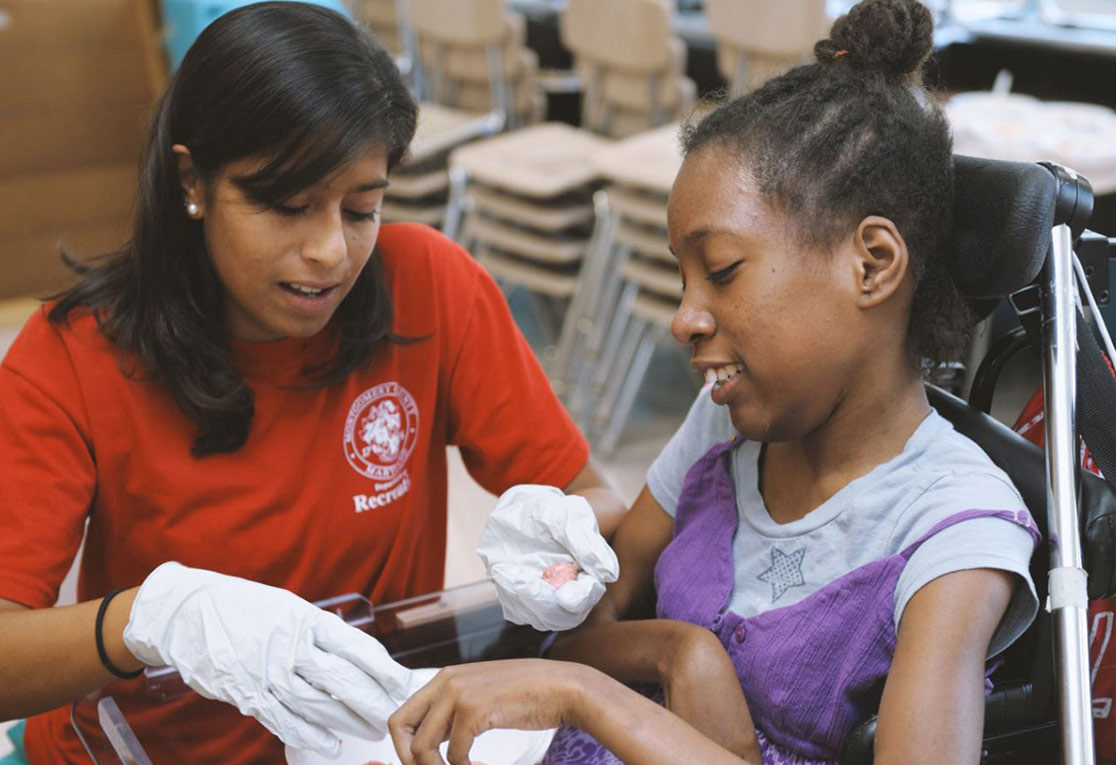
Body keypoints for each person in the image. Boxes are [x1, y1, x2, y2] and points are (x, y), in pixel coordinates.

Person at [388, 2, 1040, 764]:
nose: (684, 318)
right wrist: (680, 651)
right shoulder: (722, 425)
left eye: (722, 271)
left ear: (871, 263)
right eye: (683, 277)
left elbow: (577, 673)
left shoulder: (953, 533)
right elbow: (591, 627)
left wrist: (583, 695)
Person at [0, 4, 624, 765]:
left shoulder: (429, 288)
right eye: (286, 205)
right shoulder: (72, 356)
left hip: (358, 745)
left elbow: (591, 496)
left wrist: (561, 533)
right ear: (193, 179)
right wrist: (148, 620)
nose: (330, 249)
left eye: (362, 207)